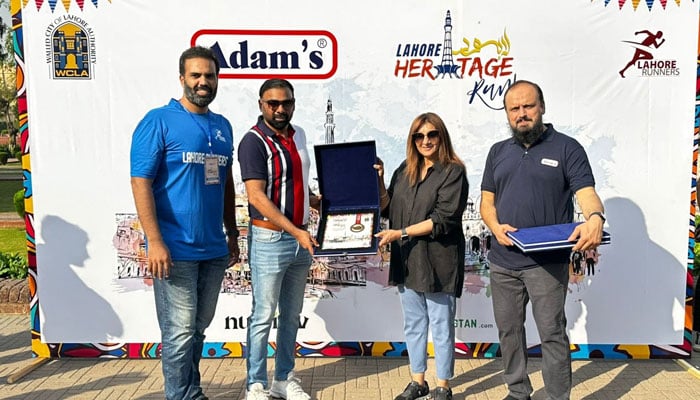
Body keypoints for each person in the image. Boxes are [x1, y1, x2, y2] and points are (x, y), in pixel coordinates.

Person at [480, 80, 605, 400]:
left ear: (542, 107)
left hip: (546, 264)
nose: (522, 114)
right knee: (509, 332)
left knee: (551, 333)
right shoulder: (497, 152)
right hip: (503, 261)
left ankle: (557, 396)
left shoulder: (567, 148)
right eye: (514, 109)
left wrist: (595, 219)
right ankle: (517, 391)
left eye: (528, 106)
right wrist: (494, 227)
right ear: (507, 114)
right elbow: (486, 201)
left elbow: (587, 194)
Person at [130, 46, 240, 400]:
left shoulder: (222, 127)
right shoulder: (158, 120)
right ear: (182, 79)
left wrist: (233, 233)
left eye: (209, 75)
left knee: (197, 331)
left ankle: (192, 392)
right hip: (175, 250)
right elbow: (140, 181)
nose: (203, 82)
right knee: (178, 334)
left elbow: (225, 183)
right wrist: (155, 241)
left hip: (213, 250)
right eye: (196, 75)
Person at [374, 112, 469, 400]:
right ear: (412, 139)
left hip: (439, 261)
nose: (425, 141)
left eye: (432, 135)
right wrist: (378, 180)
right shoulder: (404, 170)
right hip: (408, 260)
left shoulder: (453, 171)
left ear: (442, 137)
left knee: (441, 325)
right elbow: (388, 207)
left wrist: (400, 234)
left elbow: (443, 219)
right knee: (414, 325)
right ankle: (418, 381)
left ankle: (443, 385)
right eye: (419, 135)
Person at [238, 78, 318, 400]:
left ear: (293, 104)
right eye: (273, 103)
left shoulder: (300, 135)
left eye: (286, 103)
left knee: (291, 314)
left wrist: (319, 202)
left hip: (300, 239)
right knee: (262, 315)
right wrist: (296, 229)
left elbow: (297, 184)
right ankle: (255, 384)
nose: (280, 109)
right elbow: (256, 197)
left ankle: (283, 378)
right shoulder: (253, 142)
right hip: (271, 240)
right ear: (261, 105)